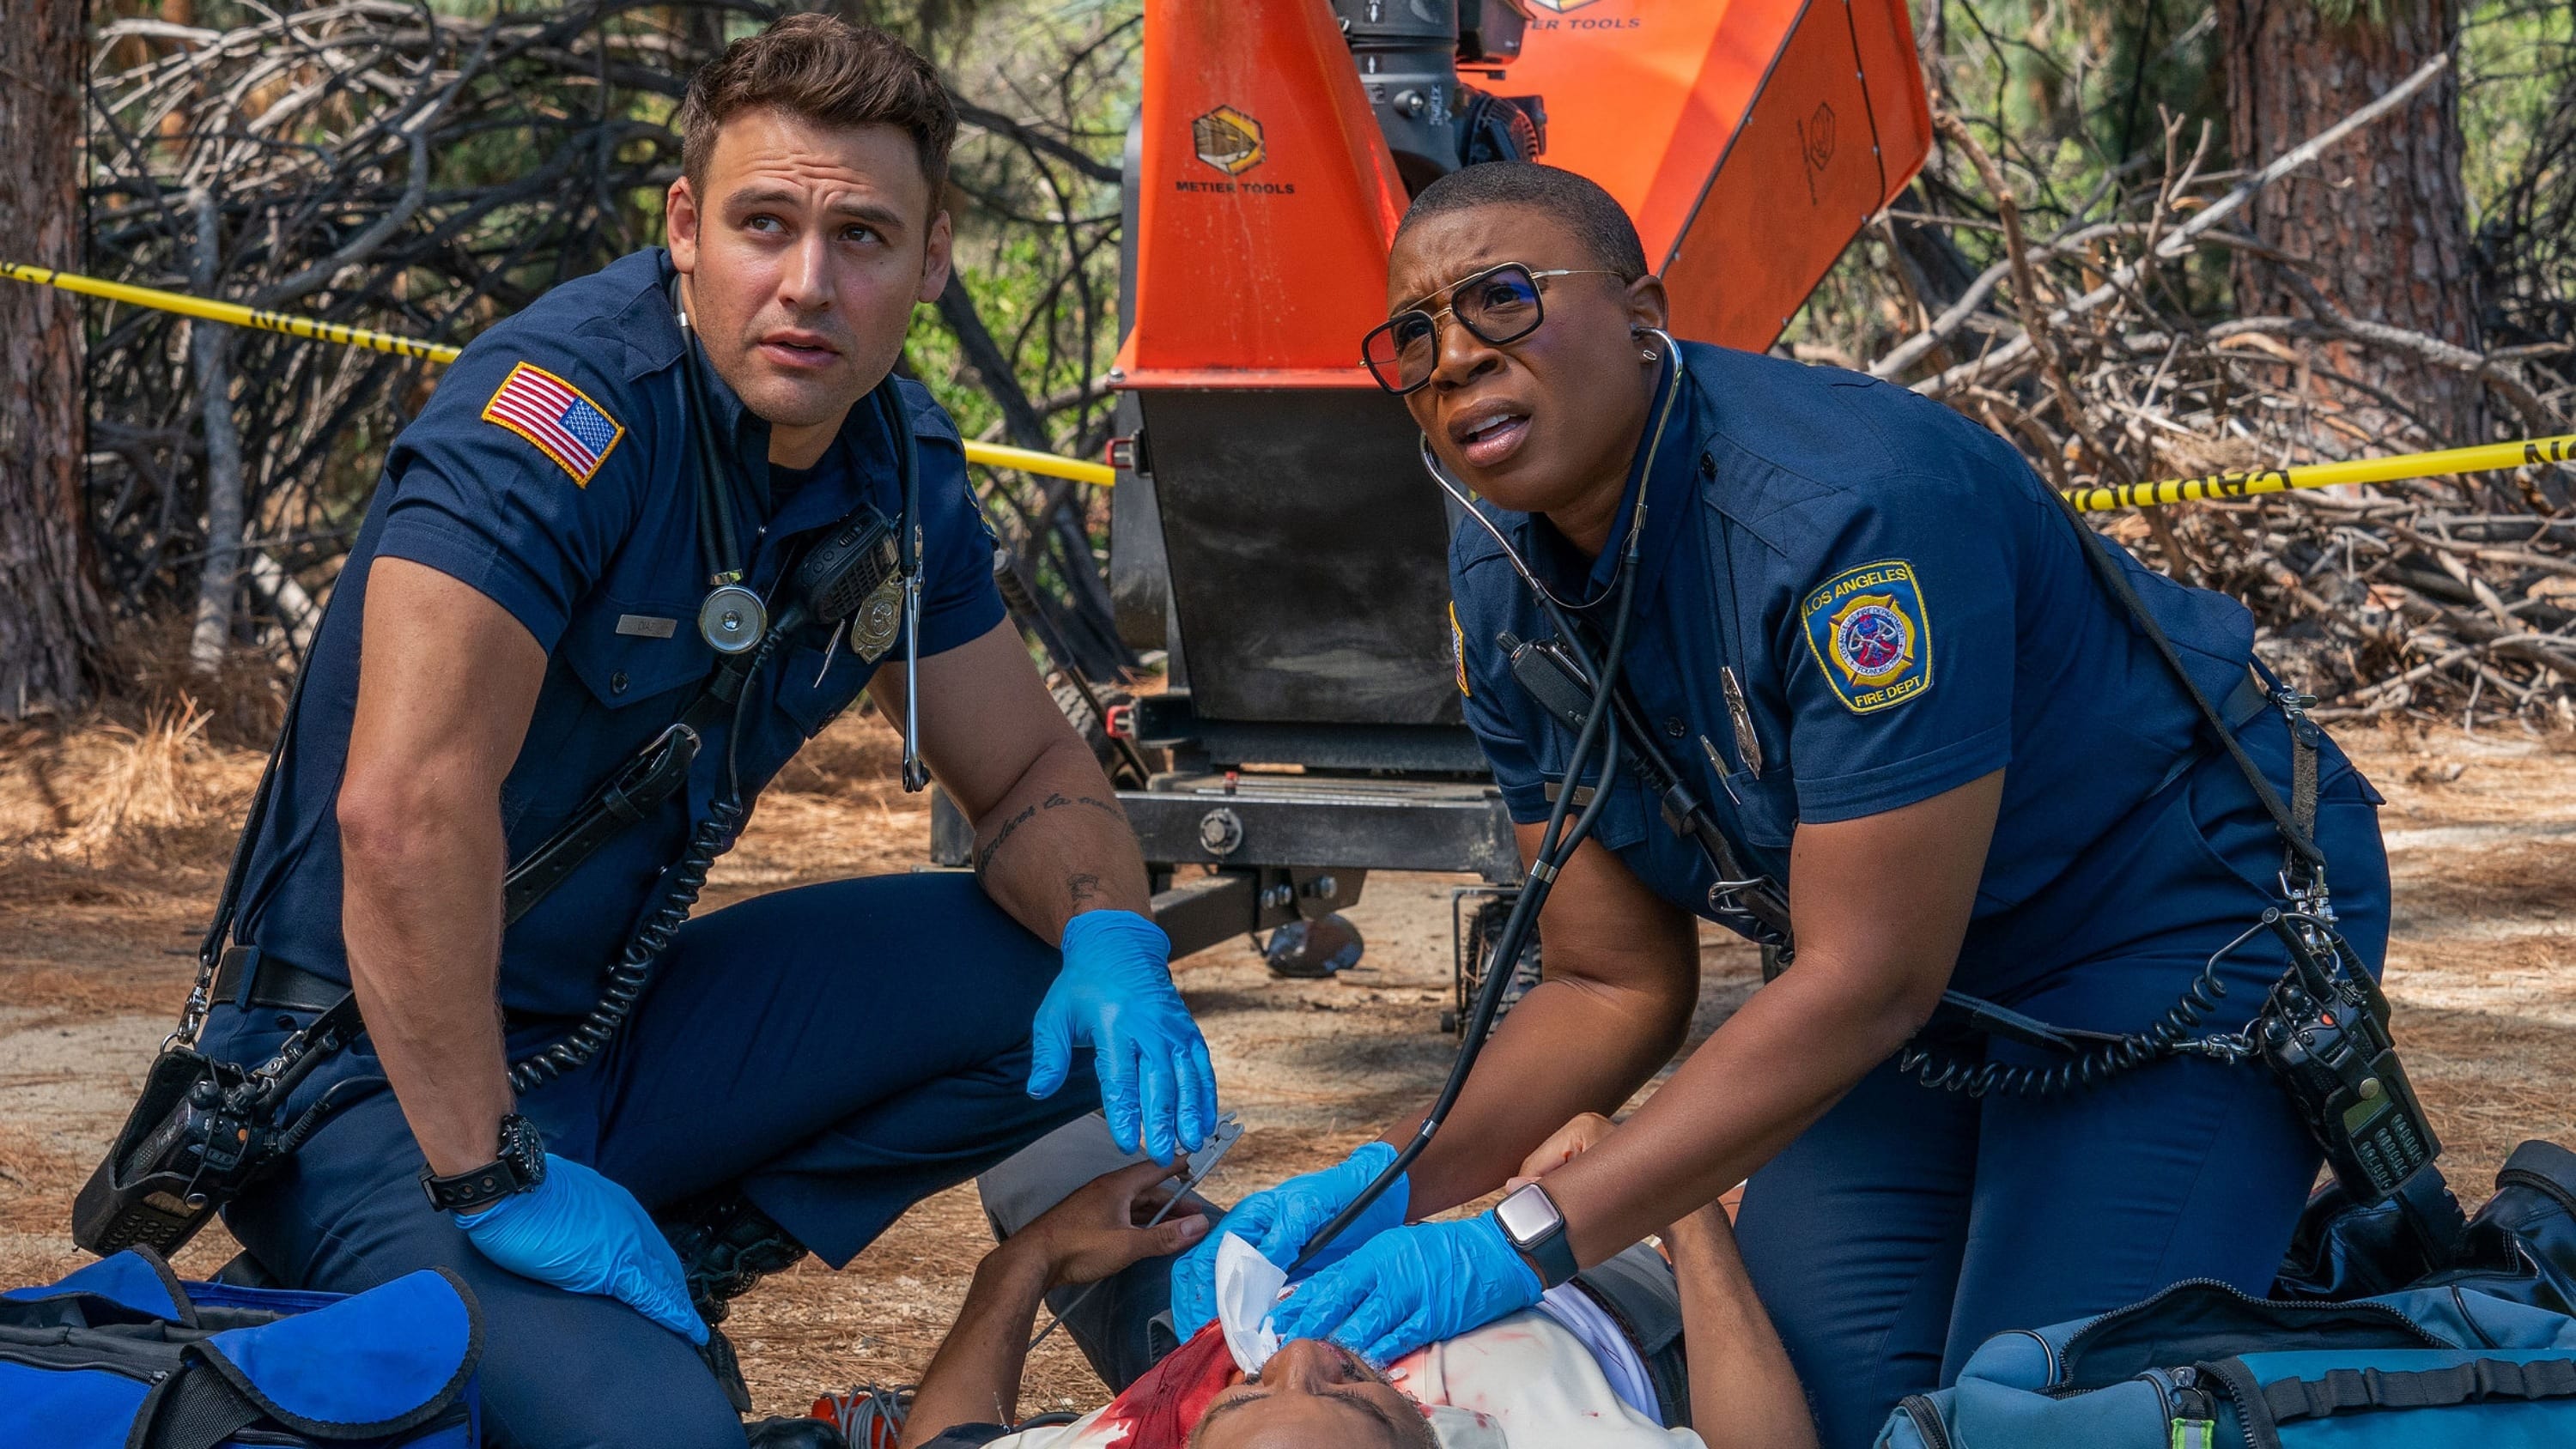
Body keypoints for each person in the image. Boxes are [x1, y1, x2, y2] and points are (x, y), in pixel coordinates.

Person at [1166, 162, 2393, 1448]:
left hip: (2163, 936)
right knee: (1823, 1412)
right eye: (1414, 336)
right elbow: (1608, 982)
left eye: (1504, 299)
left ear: (1643, 313)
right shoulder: (1497, 574)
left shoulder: (1849, 519)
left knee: (2031, 1416)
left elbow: (1869, 975)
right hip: (1915, 996)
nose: (1457, 355)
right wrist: (1391, 1182)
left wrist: (1517, 1238)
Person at [185, 17, 1217, 1447]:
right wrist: (490, 1172)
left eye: (863, 236)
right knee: (664, 1438)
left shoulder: (895, 462)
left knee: (1067, 989)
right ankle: (419, 1277)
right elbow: (403, 810)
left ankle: (663, 1258)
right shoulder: (553, 417)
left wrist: (1113, 934)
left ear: (932, 259)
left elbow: (1035, 769)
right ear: (685, 227)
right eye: (763, 224)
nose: (808, 283)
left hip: (608, 1043)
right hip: (372, 1073)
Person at [842, 1112, 1815, 1449]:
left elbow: (948, 1442)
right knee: (1809, 1155)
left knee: (1039, 1153)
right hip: (1600, 1296)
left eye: (1241, 1400)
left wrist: (1031, 1258)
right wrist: (1673, 1204)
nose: (1302, 1355)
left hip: (1216, 1321)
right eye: (1357, 1392)